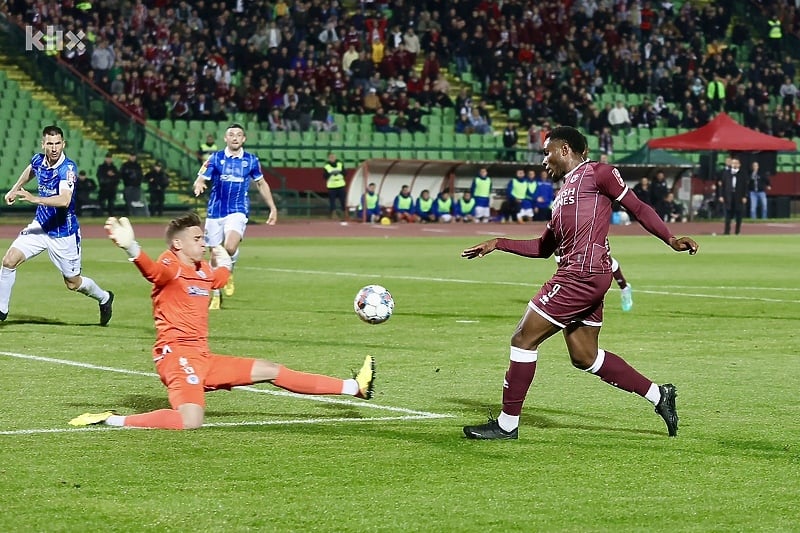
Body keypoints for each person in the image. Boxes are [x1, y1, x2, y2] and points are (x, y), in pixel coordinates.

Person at [460, 126, 698, 440]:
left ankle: (506, 425)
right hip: (586, 276)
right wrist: (498, 243)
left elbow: (637, 207)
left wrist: (670, 239)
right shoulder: (560, 200)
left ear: (565, 149)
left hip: (580, 276)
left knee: (522, 339)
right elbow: (543, 248)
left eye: (547, 152)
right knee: (585, 356)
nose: (544, 160)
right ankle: (659, 395)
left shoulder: (599, 173)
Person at [68, 213, 375, 430]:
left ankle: (354, 387)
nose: (203, 242)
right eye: (197, 238)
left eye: (203, 237)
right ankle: (111, 419)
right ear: (177, 244)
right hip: (176, 356)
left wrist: (225, 260)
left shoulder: (202, 269)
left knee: (270, 369)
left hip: (203, 357)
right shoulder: (169, 263)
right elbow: (152, 272)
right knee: (190, 421)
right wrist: (131, 248)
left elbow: (218, 278)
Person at [0, 125, 114, 324]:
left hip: (63, 233)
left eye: (58, 143)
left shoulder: (67, 169)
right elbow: (31, 170)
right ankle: (1, 310)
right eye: (50, 144)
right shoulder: (39, 159)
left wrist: (34, 199)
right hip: (40, 226)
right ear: (43, 144)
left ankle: (104, 298)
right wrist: (14, 189)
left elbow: (64, 200)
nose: (54, 148)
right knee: (9, 261)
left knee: (73, 283)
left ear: (64, 144)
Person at [193, 123, 278, 310]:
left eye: (239, 135)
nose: (235, 137)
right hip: (215, 211)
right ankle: (216, 294)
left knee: (230, 247)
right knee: (215, 254)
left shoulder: (251, 161)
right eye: (231, 134)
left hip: (238, 209)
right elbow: (201, 177)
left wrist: (272, 207)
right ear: (225, 138)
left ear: (244, 139)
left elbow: (262, 184)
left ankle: (229, 270)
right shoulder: (215, 158)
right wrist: (199, 184)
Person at [719, 157, 748, 235]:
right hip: (728, 196)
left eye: (736, 163)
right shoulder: (726, 173)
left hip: (738, 196)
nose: (734, 164)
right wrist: (721, 195)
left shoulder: (743, 173)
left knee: (739, 215)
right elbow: (722, 185)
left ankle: (737, 231)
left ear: (739, 164)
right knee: (727, 215)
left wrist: (745, 196)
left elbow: (745, 186)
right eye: (733, 163)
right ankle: (726, 231)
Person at [323, 152, 347, 220]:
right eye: (331, 157)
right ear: (328, 158)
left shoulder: (340, 163)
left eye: (333, 157)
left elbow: (345, 173)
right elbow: (324, 176)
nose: (332, 158)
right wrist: (330, 173)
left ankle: (344, 213)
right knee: (332, 201)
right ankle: (333, 214)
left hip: (341, 184)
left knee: (343, 200)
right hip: (331, 185)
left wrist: (339, 172)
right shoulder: (326, 166)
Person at [96, 152, 119, 216]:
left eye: (110, 158)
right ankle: (100, 214)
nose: (109, 159)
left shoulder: (114, 168)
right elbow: (100, 176)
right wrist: (107, 176)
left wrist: (113, 176)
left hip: (112, 188)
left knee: (111, 202)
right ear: (105, 159)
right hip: (104, 188)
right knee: (101, 202)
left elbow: (117, 177)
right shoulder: (101, 167)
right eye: (108, 158)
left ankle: (111, 214)